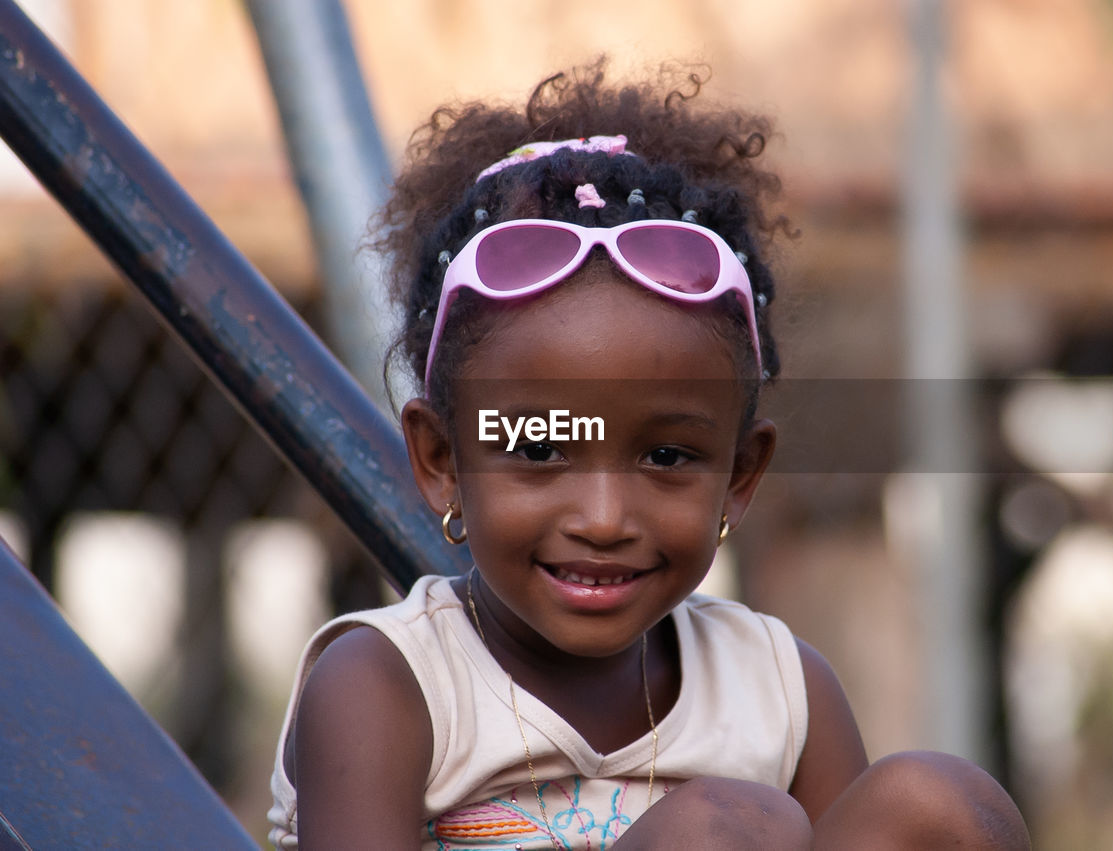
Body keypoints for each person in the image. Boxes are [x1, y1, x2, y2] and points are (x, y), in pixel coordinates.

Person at [268, 61, 1030, 850]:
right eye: (542, 445)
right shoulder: (390, 686)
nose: (604, 518)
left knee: (940, 805)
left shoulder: (779, 690)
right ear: (440, 460)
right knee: (732, 829)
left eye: (666, 456)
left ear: (738, 478)